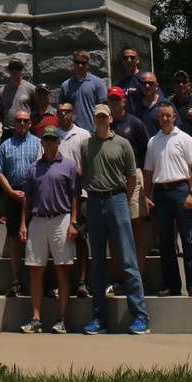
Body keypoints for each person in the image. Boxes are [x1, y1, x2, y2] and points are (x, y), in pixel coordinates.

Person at [80, 104, 149, 336]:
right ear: (94, 119)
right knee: (97, 263)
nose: (100, 120)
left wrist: (122, 199)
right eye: (97, 116)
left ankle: (140, 316)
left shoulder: (123, 144)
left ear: (110, 119)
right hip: (94, 201)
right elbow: (86, 173)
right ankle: (98, 318)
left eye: (103, 116)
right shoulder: (87, 145)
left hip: (117, 199)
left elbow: (131, 175)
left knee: (128, 259)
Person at [18, 125, 81, 334]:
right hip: (37, 219)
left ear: (58, 142)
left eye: (52, 139)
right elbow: (27, 197)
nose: (49, 143)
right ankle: (36, 318)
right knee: (35, 270)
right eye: (46, 139)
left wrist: (73, 222)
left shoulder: (69, 166)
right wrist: (23, 223)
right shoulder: (34, 167)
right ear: (42, 143)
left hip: (61, 219)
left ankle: (62, 318)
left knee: (62, 269)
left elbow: (75, 196)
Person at [143, 102, 192, 297]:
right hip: (161, 192)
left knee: (188, 239)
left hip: (181, 189)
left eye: (168, 115)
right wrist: (146, 195)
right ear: (158, 118)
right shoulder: (153, 141)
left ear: (174, 117)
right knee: (165, 241)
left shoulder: (185, 139)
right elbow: (149, 171)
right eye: (162, 116)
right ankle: (171, 285)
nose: (165, 119)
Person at [0, 106, 41, 296]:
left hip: (34, 196)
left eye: (25, 120)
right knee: (15, 240)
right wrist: (11, 192)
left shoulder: (38, 143)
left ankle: (37, 282)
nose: (22, 123)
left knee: (35, 239)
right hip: (13, 195)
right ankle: (16, 281)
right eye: (18, 120)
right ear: (13, 123)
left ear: (30, 123)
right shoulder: (5, 145)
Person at [107, 86, 149, 285]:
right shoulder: (104, 125)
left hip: (133, 177)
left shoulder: (135, 123)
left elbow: (145, 155)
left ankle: (138, 277)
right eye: (111, 99)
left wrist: (146, 190)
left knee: (135, 225)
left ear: (124, 101)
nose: (114, 103)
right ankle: (118, 277)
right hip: (110, 180)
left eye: (117, 99)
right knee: (113, 229)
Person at [55, 102, 91, 297]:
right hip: (58, 198)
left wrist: (82, 172)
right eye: (60, 112)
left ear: (74, 114)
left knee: (80, 238)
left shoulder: (84, 135)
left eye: (67, 112)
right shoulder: (52, 135)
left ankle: (83, 281)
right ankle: (63, 285)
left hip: (81, 194)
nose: (63, 115)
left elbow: (91, 162)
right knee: (59, 241)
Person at [58, 49, 107, 134]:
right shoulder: (66, 85)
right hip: (72, 133)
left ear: (88, 65)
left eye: (83, 63)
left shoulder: (97, 83)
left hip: (93, 132)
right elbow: (62, 110)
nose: (80, 65)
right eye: (77, 62)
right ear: (73, 63)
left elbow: (104, 108)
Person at [0, 58, 37, 136]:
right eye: (12, 68)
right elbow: (0, 113)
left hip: (26, 131)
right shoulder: (2, 91)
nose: (15, 71)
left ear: (22, 70)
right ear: (8, 71)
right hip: (8, 131)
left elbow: (36, 109)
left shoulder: (31, 89)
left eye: (18, 68)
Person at [129, 70, 167, 136]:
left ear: (156, 86)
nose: (147, 86)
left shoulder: (166, 104)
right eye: (144, 83)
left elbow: (175, 129)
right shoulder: (137, 108)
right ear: (140, 86)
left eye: (150, 83)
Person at [168, 71, 192, 136]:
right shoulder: (168, 105)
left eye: (184, 82)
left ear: (189, 85)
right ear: (173, 85)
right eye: (178, 82)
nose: (181, 84)